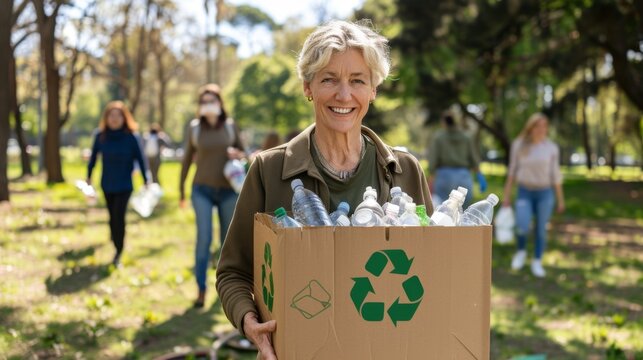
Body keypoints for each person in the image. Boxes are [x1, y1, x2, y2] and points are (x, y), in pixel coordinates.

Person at [215, 20, 432, 360]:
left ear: (373, 89)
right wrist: (248, 321)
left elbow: (432, 266)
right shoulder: (269, 170)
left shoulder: (404, 172)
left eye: (357, 81)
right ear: (308, 87)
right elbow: (233, 271)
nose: (343, 95)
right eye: (329, 79)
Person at [180, 83, 246, 308]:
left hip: (228, 191)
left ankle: (226, 289)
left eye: (212, 101)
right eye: (204, 101)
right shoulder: (195, 128)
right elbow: (187, 159)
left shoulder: (229, 126)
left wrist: (238, 154)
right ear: (200, 106)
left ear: (220, 104)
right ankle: (201, 289)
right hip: (202, 190)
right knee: (204, 239)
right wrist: (181, 189)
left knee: (226, 244)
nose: (209, 105)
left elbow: (244, 152)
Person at [502, 112, 565, 278]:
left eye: (544, 126)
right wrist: (506, 196)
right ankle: (521, 252)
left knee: (541, 229)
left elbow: (555, 174)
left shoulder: (551, 148)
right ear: (530, 127)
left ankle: (537, 260)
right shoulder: (519, 145)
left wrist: (560, 199)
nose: (541, 129)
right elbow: (512, 171)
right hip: (524, 191)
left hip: (545, 193)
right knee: (522, 225)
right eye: (537, 125)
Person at [87, 101, 149, 267]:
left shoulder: (131, 137)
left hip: (125, 185)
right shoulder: (101, 136)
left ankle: (118, 250)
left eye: (118, 115)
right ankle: (114, 237)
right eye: (111, 115)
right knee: (111, 215)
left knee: (119, 216)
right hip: (107, 183)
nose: (114, 119)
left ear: (124, 117)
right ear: (106, 118)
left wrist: (146, 178)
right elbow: (93, 158)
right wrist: (88, 177)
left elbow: (141, 159)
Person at [428, 112, 486, 206]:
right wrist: (479, 174)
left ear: (444, 122)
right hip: (464, 176)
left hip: (444, 176)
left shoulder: (439, 137)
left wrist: (431, 178)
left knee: (443, 209)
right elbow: (473, 157)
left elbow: (433, 159)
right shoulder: (466, 137)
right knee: (462, 210)